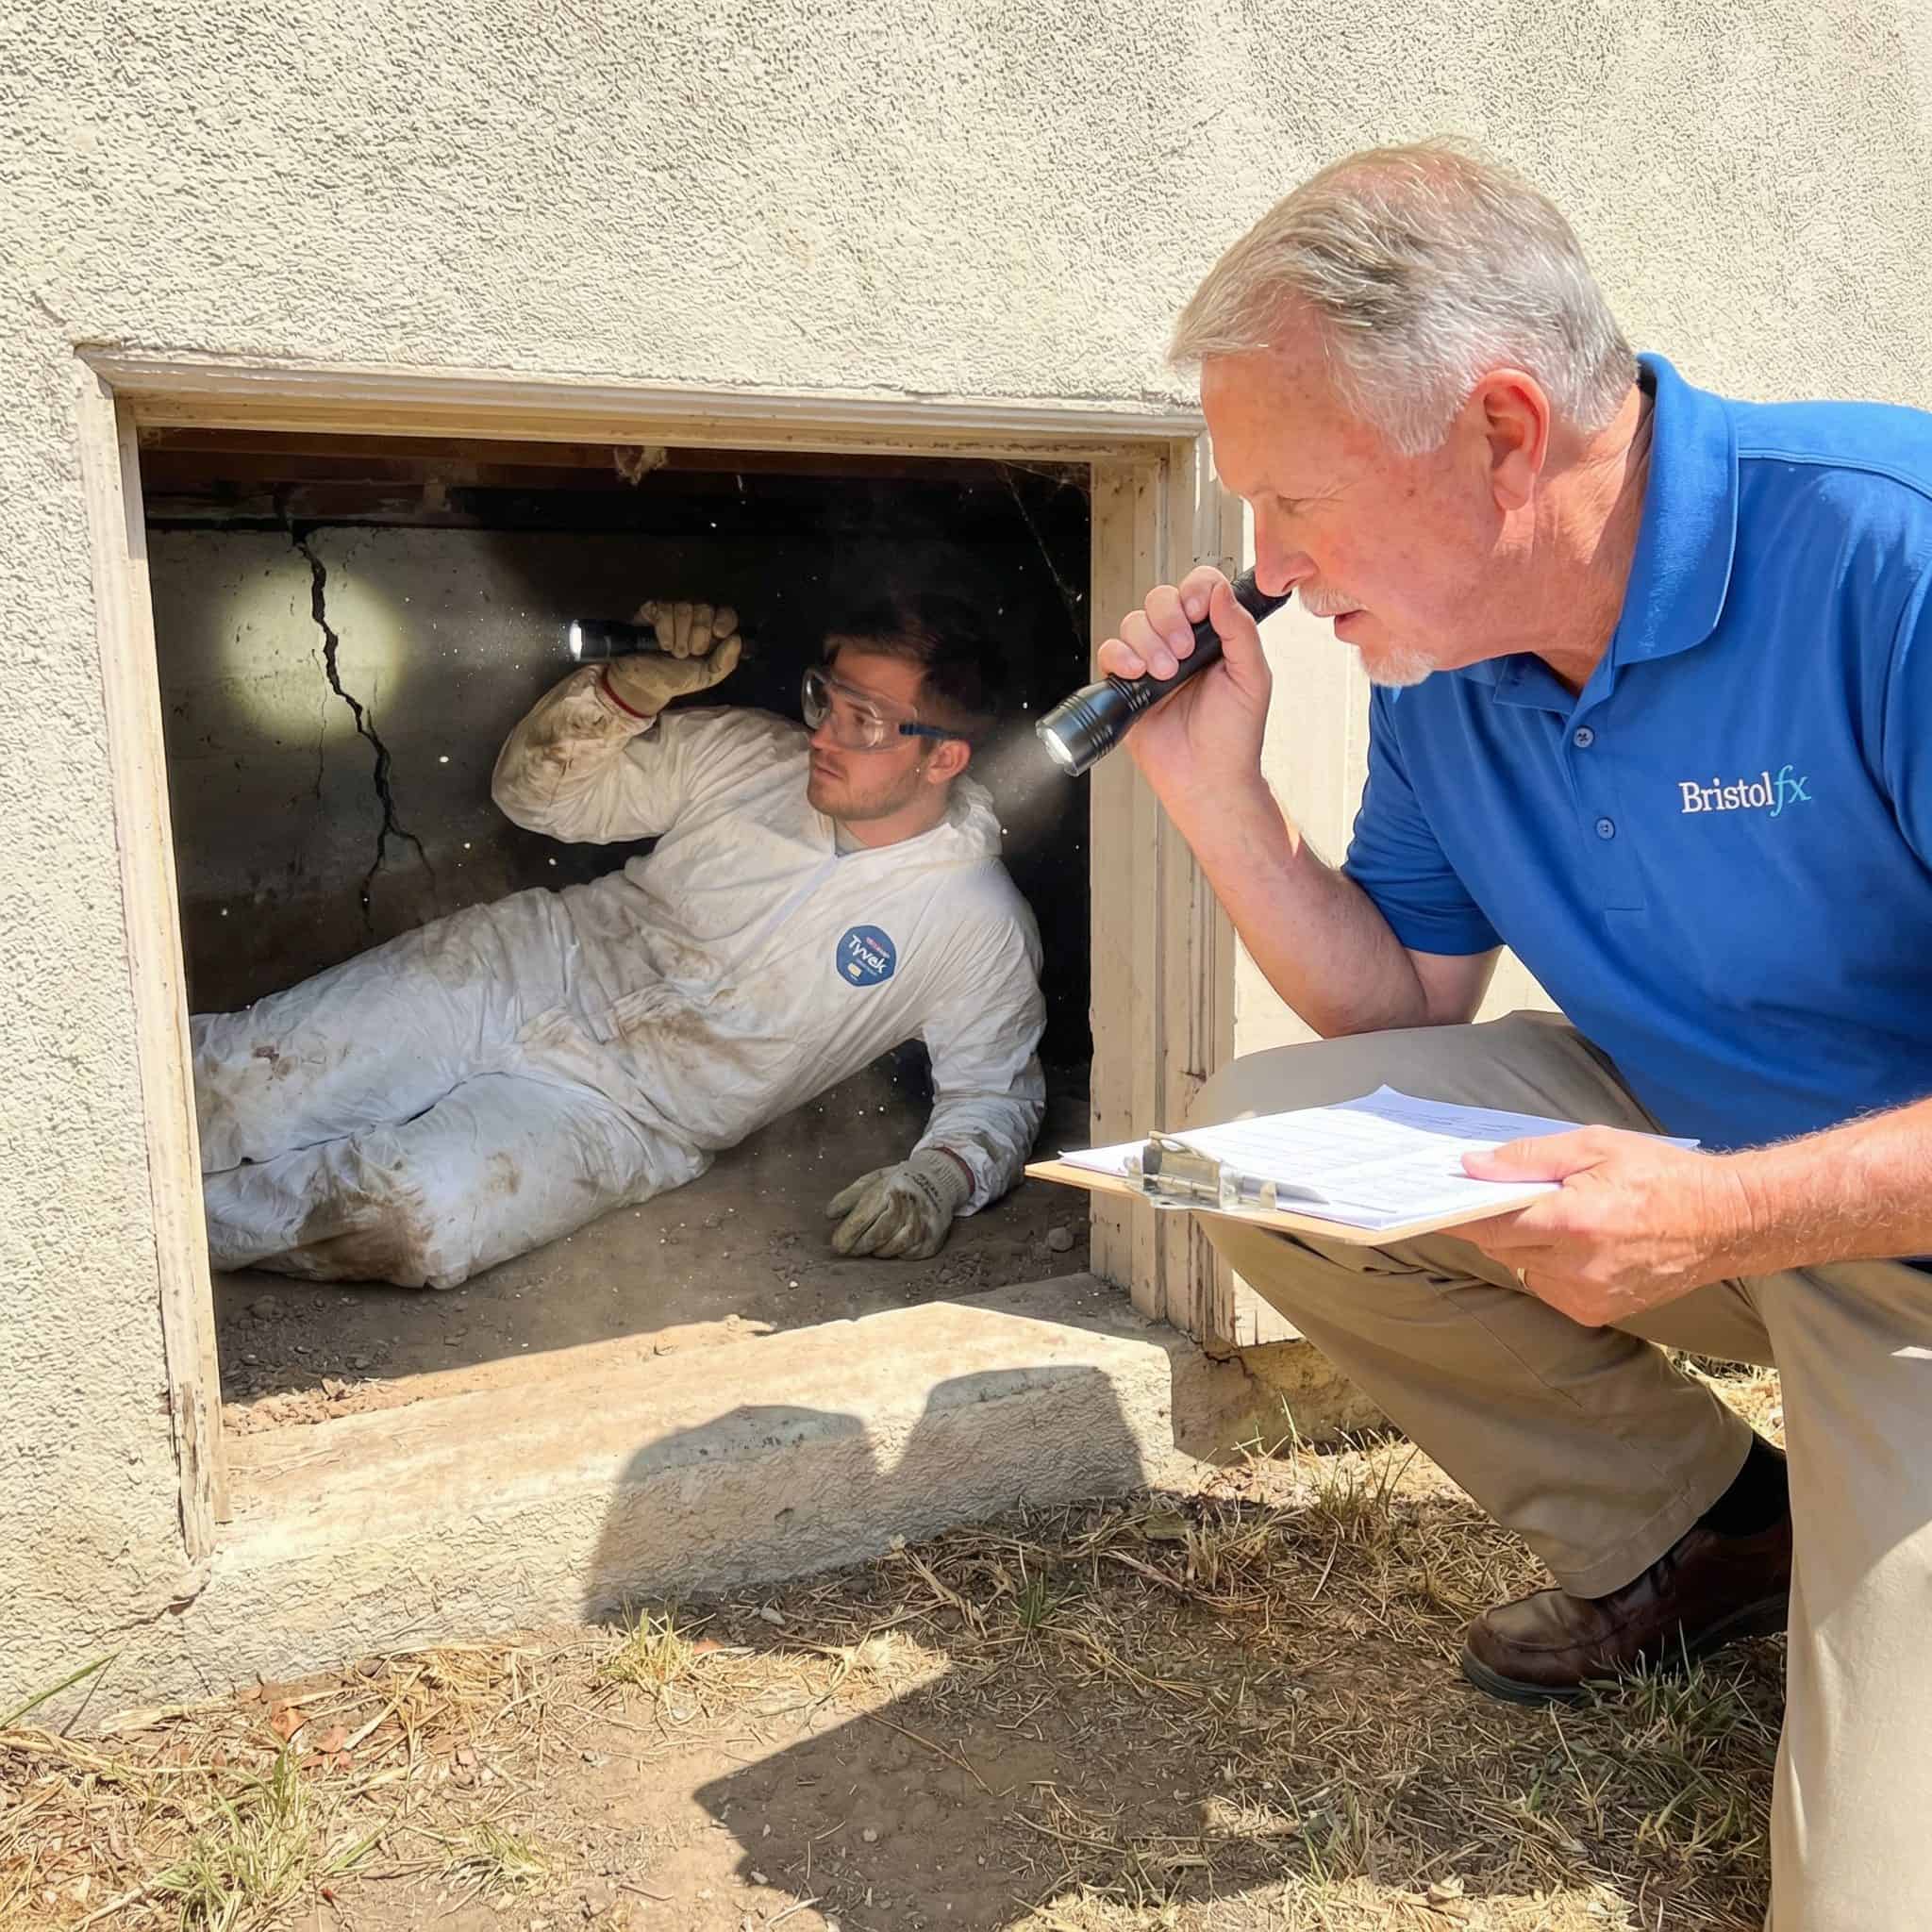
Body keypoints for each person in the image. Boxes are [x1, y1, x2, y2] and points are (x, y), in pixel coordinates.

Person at [1102, 139, 1932, 1927]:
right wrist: (1212, 791)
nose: (1265, 568)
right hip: (1694, 1160)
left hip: (1906, 1244)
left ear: (1496, 431)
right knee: (1272, 1134)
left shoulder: (1891, 555)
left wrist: (1721, 1218)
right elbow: (1393, 1008)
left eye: (1289, 501)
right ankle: (1707, 1531)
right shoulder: (1446, 661)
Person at [194, 594, 1046, 1290]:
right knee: (237, 1083)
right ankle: (96, 1164)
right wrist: (628, 692)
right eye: (826, 698)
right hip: (522, 968)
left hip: (627, 1117)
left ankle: (144, 1243)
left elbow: (996, 1096)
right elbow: (537, 801)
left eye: (865, 721)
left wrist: (940, 1178)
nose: (823, 734)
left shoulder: (975, 924)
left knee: (405, 1219)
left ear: (943, 760)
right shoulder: (748, 756)